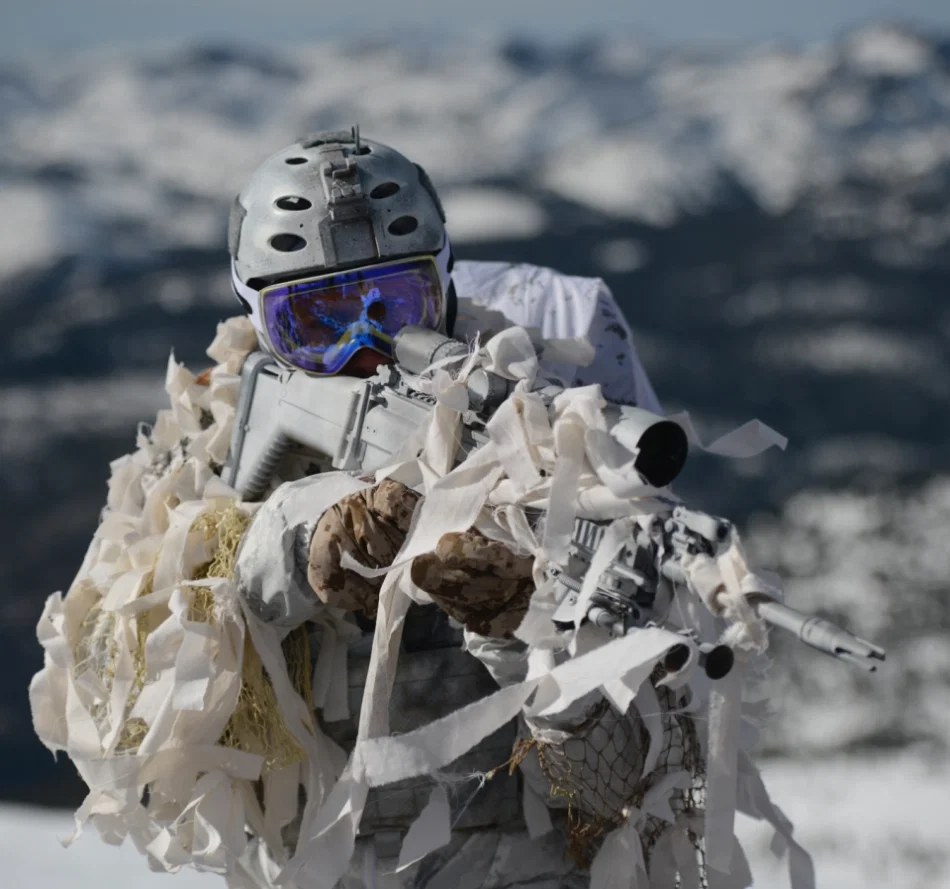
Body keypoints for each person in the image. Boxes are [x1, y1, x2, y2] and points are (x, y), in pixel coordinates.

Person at [226, 128, 681, 888]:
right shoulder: (226, 432)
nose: (364, 349)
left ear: (442, 291)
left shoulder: (552, 447)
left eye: (395, 306)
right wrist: (303, 531)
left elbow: (614, 795)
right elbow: (155, 690)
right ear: (260, 324)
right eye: (316, 324)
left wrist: (522, 631)